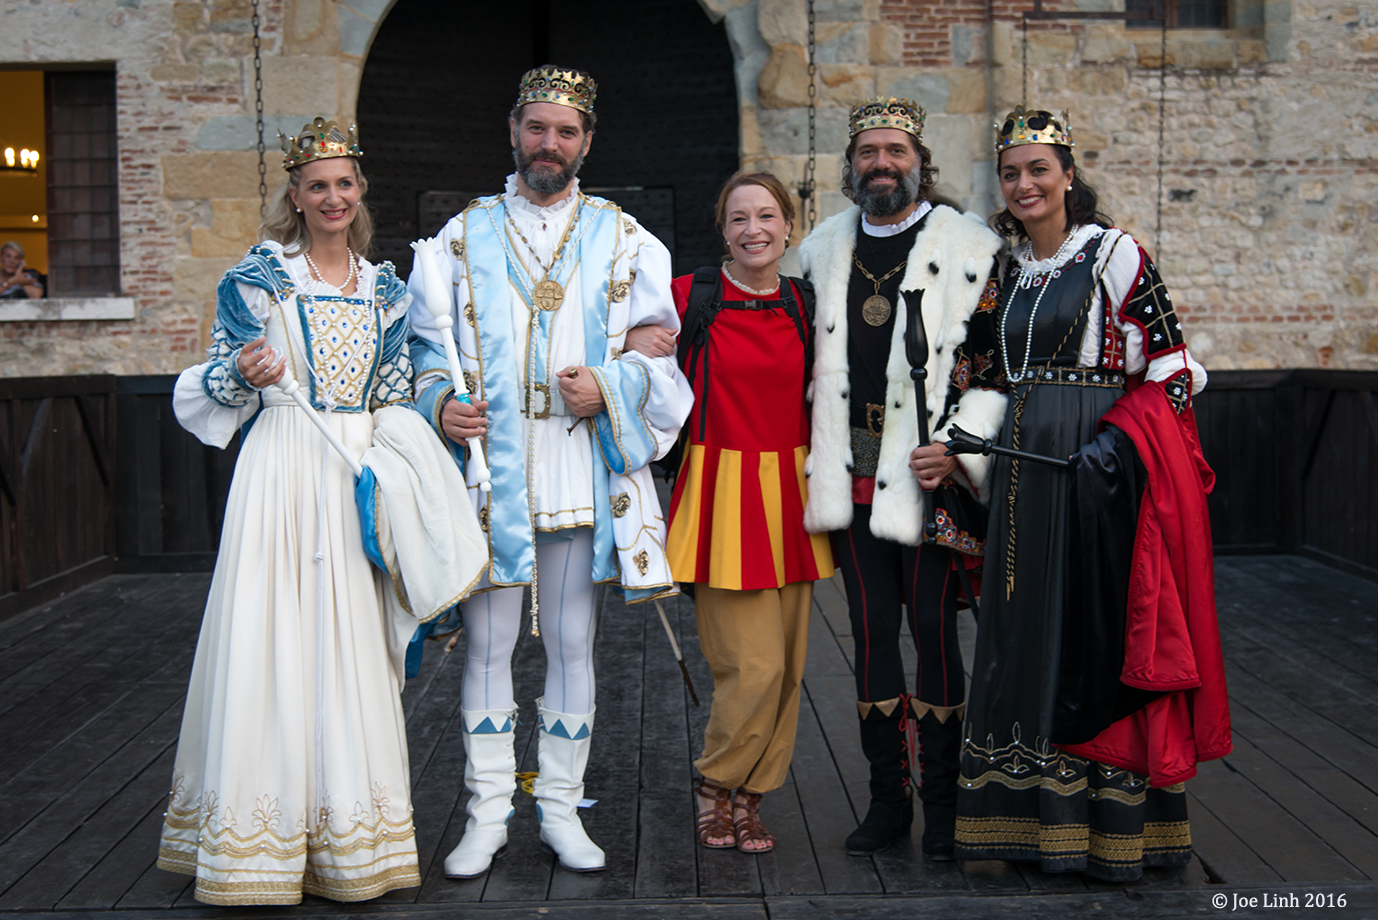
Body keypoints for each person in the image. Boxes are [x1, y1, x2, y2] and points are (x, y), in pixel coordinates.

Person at [407, 65, 691, 878]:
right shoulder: (461, 236)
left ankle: (562, 810)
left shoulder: (625, 238)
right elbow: (422, 347)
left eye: (566, 131)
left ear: (586, 142)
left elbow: (659, 357)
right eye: (537, 127)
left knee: (571, 643)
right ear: (513, 131)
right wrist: (438, 403)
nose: (549, 144)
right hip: (490, 476)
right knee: (487, 646)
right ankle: (487, 815)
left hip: (576, 468)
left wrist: (609, 384)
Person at [954, 107, 1230, 880]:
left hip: (1096, 473)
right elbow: (984, 375)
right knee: (1021, 627)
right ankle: (1029, 822)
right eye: (1011, 173)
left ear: (1069, 175)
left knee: (1090, 631)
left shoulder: (1115, 254)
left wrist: (1118, 453)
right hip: (1023, 473)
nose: (1025, 185)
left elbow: (1173, 371)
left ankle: (1106, 830)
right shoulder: (1007, 271)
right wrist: (959, 446)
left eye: (1039, 170)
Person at [159, 119, 425, 903]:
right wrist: (244, 369)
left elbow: (394, 395)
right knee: (269, 638)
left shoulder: (386, 292)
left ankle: (349, 844)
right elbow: (215, 383)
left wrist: (410, 460)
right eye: (318, 186)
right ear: (296, 196)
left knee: (349, 644)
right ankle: (257, 851)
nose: (332, 197)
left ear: (359, 191)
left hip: (352, 473)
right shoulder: (259, 280)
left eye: (344, 184)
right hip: (279, 471)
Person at [797, 97, 1008, 860]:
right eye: (868, 152)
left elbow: (994, 366)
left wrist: (958, 446)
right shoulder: (821, 248)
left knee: (932, 629)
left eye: (895, 152)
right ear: (851, 165)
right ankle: (889, 802)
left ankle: (945, 806)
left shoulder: (969, 246)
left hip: (926, 478)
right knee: (871, 631)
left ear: (920, 162)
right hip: (849, 475)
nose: (881, 164)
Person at [626, 172, 834, 854]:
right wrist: (632, 342)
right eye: (739, 218)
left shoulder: (806, 302)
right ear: (723, 230)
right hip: (720, 488)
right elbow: (607, 330)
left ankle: (751, 798)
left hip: (793, 496)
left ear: (788, 226)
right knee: (752, 666)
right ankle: (715, 784)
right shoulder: (689, 296)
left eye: (767, 216)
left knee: (789, 668)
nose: (754, 229)